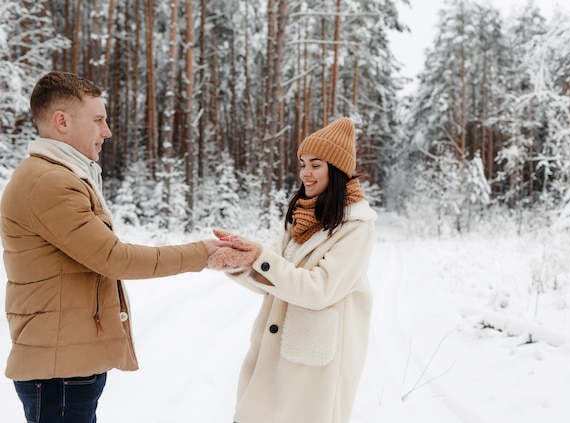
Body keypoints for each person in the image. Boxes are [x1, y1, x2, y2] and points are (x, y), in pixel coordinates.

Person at [0, 70, 233, 423]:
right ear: (61, 121)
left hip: (65, 362)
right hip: (59, 370)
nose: (106, 131)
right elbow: (113, 258)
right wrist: (201, 252)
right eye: (97, 120)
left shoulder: (59, 175)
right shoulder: (49, 182)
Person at [208, 117, 377, 423]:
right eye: (302, 164)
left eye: (316, 164)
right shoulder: (300, 216)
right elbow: (274, 278)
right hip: (273, 359)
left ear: (336, 170)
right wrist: (242, 263)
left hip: (312, 371)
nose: (305, 173)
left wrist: (261, 257)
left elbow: (319, 289)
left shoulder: (356, 227)